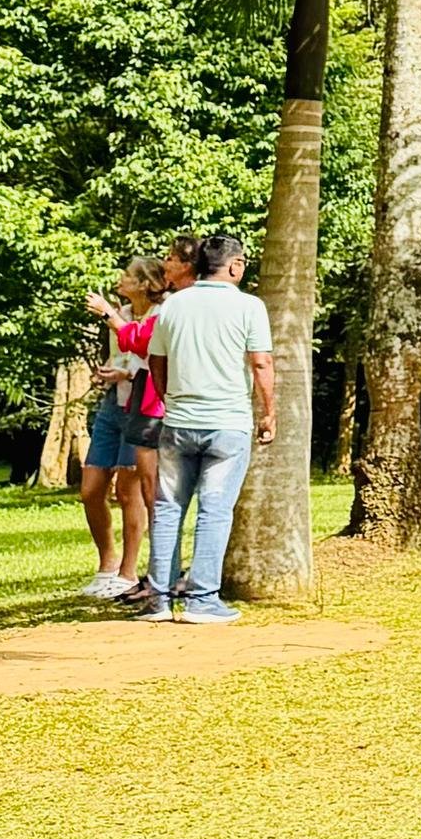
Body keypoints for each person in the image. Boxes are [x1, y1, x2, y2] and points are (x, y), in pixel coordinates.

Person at [143, 232, 275, 623]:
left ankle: (159, 601)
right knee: (214, 511)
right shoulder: (249, 307)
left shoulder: (173, 306)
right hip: (228, 425)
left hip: (178, 424)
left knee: (167, 509)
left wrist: (170, 400)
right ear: (234, 266)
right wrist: (269, 412)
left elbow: (156, 362)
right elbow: (262, 363)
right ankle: (202, 601)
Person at [77, 261, 162, 601]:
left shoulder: (161, 313)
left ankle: (127, 573)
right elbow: (124, 356)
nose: (120, 279)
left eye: (128, 275)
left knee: (130, 492)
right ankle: (107, 564)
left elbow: (149, 356)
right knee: (91, 488)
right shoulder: (123, 311)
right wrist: (112, 373)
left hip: (141, 406)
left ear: (144, 284)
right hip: (114, 405)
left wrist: (124, 373)